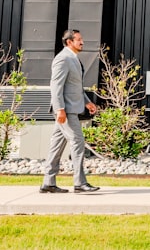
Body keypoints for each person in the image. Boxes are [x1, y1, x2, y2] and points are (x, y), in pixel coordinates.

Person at [40, 29, 99, 193]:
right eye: (79, 40)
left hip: (72, 107)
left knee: (56, 145)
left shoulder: (74, 59)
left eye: (82, 39)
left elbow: (75, 86)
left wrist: (87, 102)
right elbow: (56, 86)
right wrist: (60, 109)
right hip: (65, 110)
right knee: (78, 141)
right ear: (69, 42)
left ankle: (48, 183)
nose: (82, 42)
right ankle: (80, 183)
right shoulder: (63, 59)